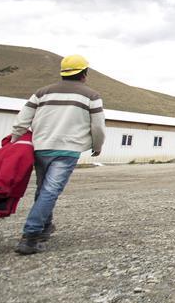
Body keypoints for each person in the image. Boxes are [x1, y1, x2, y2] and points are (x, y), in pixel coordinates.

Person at [9, 54, 105, 254]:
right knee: (50, 191)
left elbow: (22, 119)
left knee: (44, 188)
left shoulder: (42, 92)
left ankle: (44, 227)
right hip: (67, 150)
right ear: (84, 74)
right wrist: (97, 146)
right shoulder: (91, 96)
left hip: (41, 147)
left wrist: (14, 140)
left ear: (63, 72)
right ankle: (30, 236)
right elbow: (98, 126)